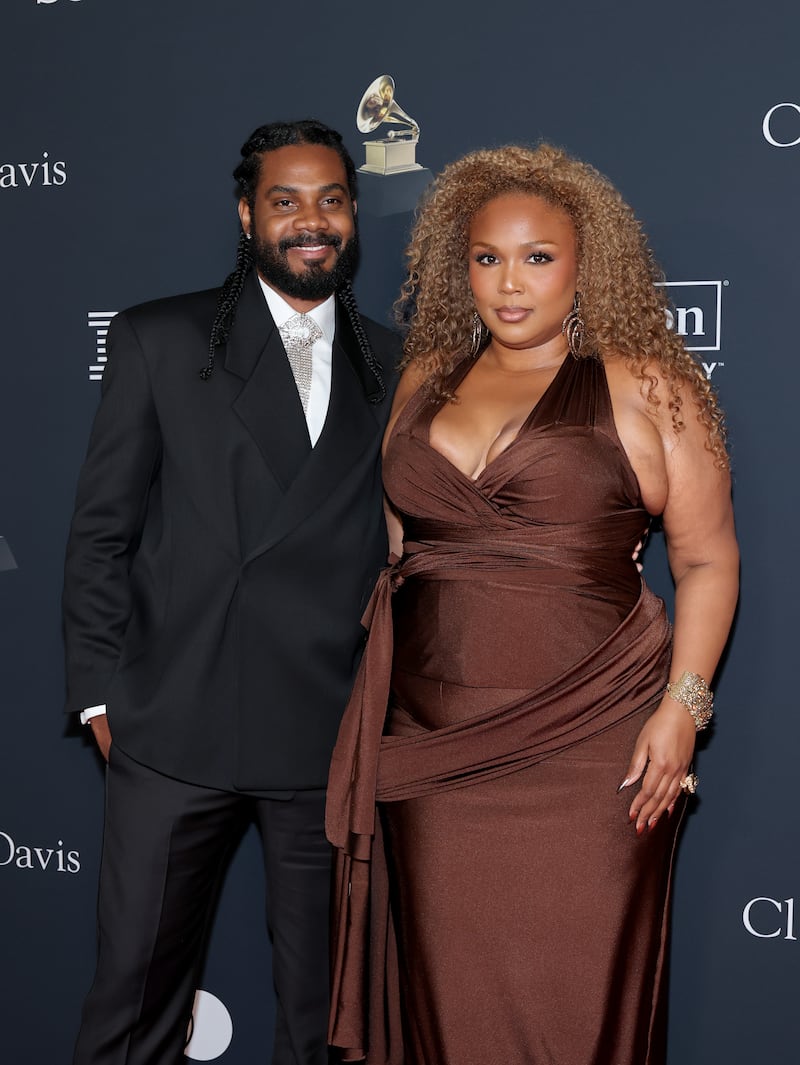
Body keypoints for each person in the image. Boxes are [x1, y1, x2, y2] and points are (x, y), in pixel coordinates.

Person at [325, 144, 739, 1065]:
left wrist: (684, 709)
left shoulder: (651, 386)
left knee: (576, 1006)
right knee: (448, 1002)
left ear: (587, 263)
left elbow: (708, 561)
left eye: (538, 257)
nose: (509, 284)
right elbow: (409, 549)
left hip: (595, 745)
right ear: (457, 262)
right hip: (432, 743)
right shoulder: (427, 374)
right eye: (487, 257)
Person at [63, 119, 400, 1065]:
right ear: (247, 213)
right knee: (132, 1004)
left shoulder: (397, 361)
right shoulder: (160, 339)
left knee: (330, 1018)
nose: (311, 221)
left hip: (326, 738)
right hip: (174, 729)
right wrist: (100, 691)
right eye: (286, 200)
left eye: (331, 199)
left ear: (353, 214)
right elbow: (101, 534)